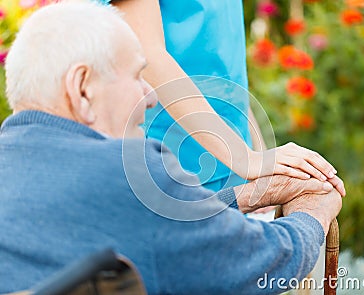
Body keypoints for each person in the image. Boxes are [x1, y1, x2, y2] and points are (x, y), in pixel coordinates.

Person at [0, 2, 343, 294]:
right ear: (81, 88)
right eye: (138, 77)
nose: (149, 97)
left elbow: (141, 224)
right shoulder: (129, 174)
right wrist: (314, 212)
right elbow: (263, 262)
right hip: (186, 163)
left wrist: (243, 196)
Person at [109, 0, 344, 192]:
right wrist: (245, 158)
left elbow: (224, 67)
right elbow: (149, 55)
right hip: (172, 168)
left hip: (231, 163)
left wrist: (257, 154)